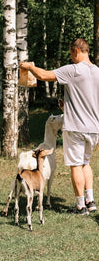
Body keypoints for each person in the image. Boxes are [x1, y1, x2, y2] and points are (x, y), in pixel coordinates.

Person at [20, 38, 99, 215]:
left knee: (76, 165)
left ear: (76, 51)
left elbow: (43, 75)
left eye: (71, 54)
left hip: (76, 127)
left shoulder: (73, 70)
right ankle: (90, 201)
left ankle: (80, 206)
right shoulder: (97, 72)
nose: (71, 58)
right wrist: (69, 106)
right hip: (94, 127)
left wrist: (29, 67)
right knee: (86, 163)